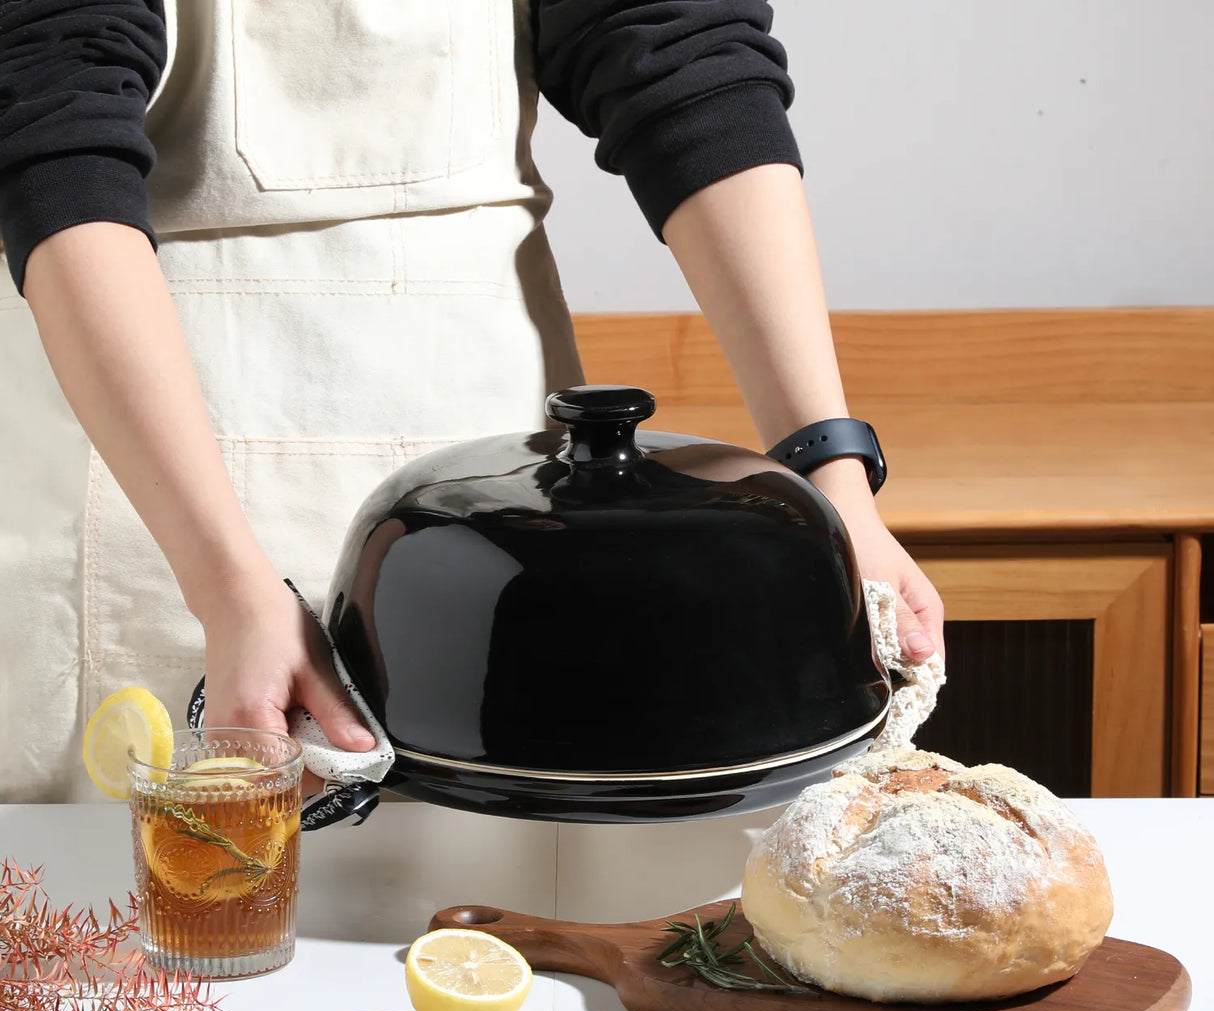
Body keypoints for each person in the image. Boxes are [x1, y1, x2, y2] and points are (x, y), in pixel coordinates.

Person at [0, 0, 944, 805]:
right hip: (156, 487)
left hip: (508, 503)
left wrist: (831, 475)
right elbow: (50, 123)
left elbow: (681, 54)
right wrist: (225, 583)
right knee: (165, 984)